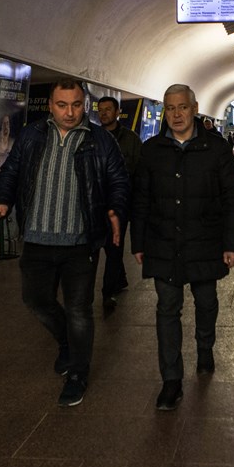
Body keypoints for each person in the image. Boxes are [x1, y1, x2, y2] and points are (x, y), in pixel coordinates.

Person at [0, 79, 129, 407]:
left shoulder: (101, 141)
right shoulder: (32, 135)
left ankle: (78, 372)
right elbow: (11, 171)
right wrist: (2, 199)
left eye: (76, 105)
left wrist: (114, 209)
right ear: (50, 105)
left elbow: (118, 179)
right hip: (37, 238)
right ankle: (67, 342)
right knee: (36, 301)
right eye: (62, 105)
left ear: (86, 105)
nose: (70, 112)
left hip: (80, 242)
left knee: (80, 310)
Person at [132, 84, 234, 411]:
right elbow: (141, 199)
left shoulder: (217, 149)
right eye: (170, 108)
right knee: (167, 308)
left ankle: (205, 347)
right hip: (164, 243)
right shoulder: (152, 149)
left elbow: (233, 199)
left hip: (205, 242)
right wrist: (139, 242)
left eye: (182, 107)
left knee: (206, 301)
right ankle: (171, 380)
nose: (177, 114)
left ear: (195, 108)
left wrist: (232, 243)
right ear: (164, 111)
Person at [97, 96, 142, 310]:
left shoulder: (131, 139)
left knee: (114, 247)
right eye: (100, 110)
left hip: (120, 204)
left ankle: (108, 293)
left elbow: (138, 172)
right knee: (102, 246)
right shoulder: (91, 137)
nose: (104, 113)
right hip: (95, 204)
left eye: (108, 109)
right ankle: (120, 279)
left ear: (117, 112)